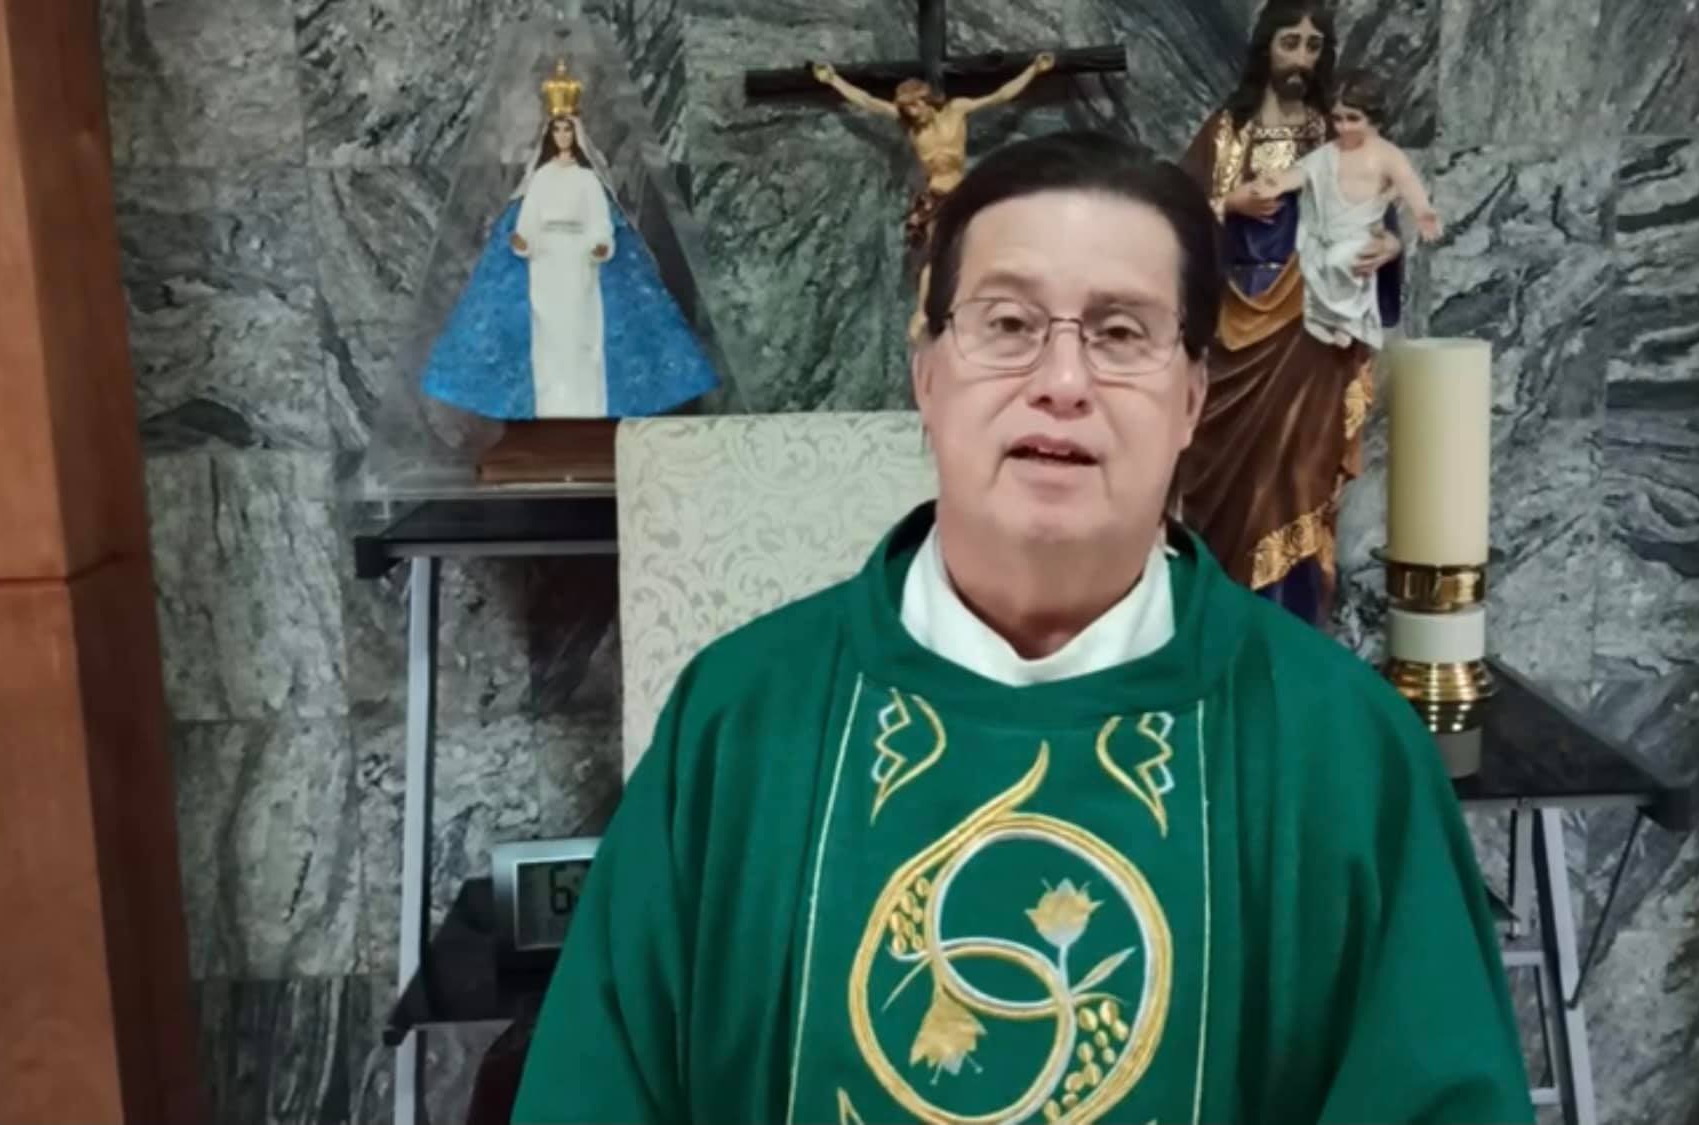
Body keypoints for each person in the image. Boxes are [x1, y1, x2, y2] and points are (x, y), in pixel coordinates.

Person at [511, 130, 1532, 1125]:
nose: (1063, 381)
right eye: (1007, 324)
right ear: (927, 374)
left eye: (1121, 334)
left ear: (1191, 399)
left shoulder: (1342, 751)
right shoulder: (739, 720)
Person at [1173, 1, 1404, 626]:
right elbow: (1175, 217)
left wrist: (1390, 248)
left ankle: (1292, 631)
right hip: (1232, 330)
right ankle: (1222, 630)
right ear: (1265, 48)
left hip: (1311, 330)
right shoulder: (1227, 133)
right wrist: (1228, 204)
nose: (1301, 57)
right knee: (1224, 484)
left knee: (1298, 480)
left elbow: (1377, 220)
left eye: (1312, 45)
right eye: (1290, 42)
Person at [421, 62, 718, 421]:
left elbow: (600, 222)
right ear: (550, 134)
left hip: (579, 265)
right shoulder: (541, 178)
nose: (562, 136)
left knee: (581, 335)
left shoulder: (587, 180)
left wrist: (600, 245)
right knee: (549, 338)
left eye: (567, 129)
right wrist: (523, 242)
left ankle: (586, 408)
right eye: (557, 130)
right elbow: (528, 222)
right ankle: (549, 409)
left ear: (575, 133)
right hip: (545, 266)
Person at [813, 54, 1057, 339]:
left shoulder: (956, 110)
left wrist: (1033, 70)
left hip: (962, 191)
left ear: (926, 99)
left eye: (916, 105)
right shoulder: (912, 128)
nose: (914, 113)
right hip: (935, 196)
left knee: (975, 248)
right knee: (935, 252)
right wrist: (833, 80)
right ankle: (923, 312)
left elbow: (1000, 96)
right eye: (908, 109)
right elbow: (867, 101)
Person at [1263, 70, 1442, 352]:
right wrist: (1276, 183)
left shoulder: (1386, 154)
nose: (1344, 127)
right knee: (1318, 264)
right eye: (1337, 119)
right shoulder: (1329, 153)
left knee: (1339, 261)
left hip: (1361, 233)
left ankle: (1351, 322)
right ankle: (1324, 318)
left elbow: (1408, 182)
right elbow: (1303, 172)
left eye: (1353, 118)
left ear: (1374, 119)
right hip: (1328, 233)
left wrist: (1423, 211)